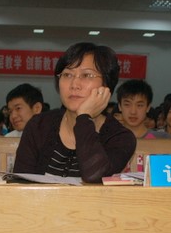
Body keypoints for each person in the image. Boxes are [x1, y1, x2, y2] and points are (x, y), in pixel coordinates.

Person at [13, 42, 136, 183]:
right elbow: (19, 184)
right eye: (67, 74)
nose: (74, 85)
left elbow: (94, 176)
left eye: (87, 75)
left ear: (106, 85)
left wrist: (84, 117)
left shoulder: (120, 138)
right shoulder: (38, 126)